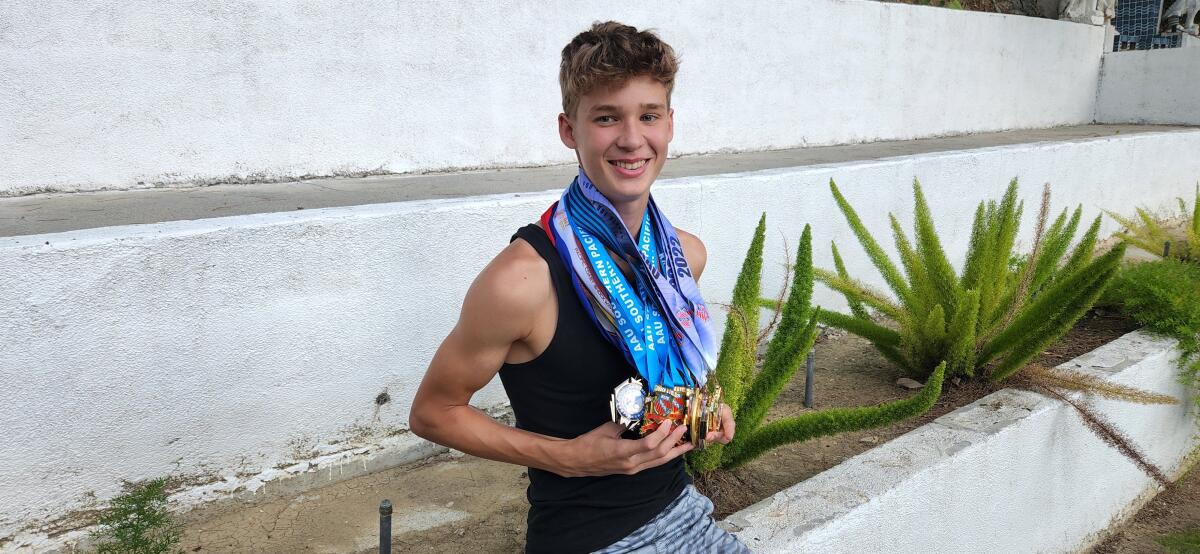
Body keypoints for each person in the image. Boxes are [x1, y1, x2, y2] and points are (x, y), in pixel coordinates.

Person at [409, 21, 750, 553]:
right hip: (590, 540)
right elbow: (432, 413)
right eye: (607, 118)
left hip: (689, 517)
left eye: (649, 116)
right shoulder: (520, 281)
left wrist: (699, 412)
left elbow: (659, 376)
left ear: (670, 124)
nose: (632, 139)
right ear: (570, 130)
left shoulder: (684, 256)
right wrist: (569, 457)